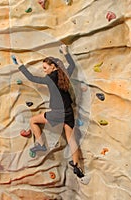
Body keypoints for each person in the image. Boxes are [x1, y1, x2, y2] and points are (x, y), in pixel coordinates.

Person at [17, 45, 84, 178]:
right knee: (71, 139)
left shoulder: (50, 78)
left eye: (45, 68)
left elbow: (32, 78)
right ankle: (77, 166)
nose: (44, 71)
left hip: (58, 112)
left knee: (33, 120)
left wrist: (20, 66)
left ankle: (41, 144)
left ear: (53, 66)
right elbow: (72, 65)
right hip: (68, 112)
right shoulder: (64, 74)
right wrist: (66, 53)